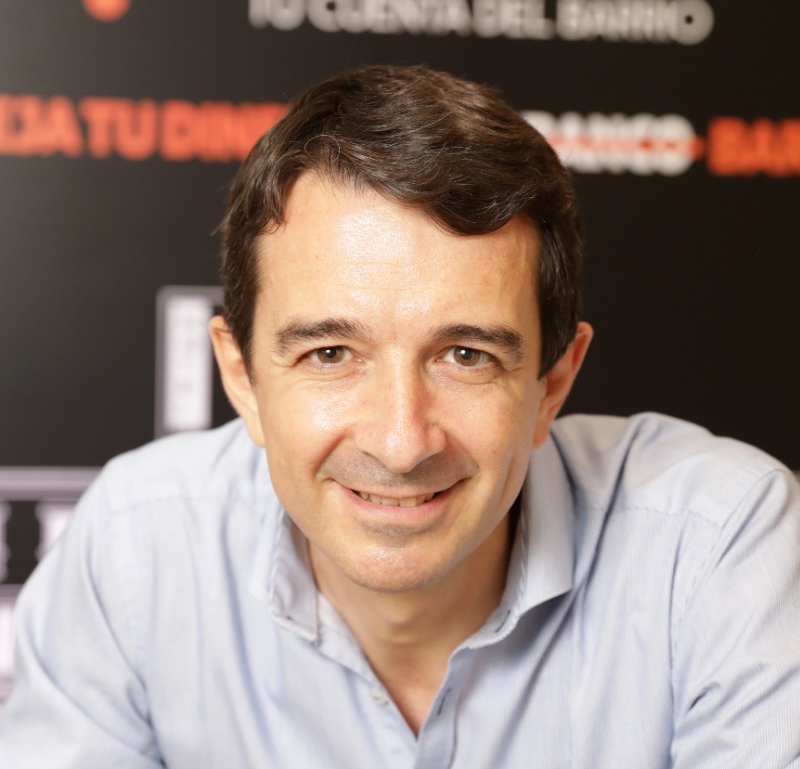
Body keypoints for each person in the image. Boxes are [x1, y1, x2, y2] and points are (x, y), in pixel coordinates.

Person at [1, 65, 798, 768]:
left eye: (466, 356)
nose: (401, 441)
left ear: (552, 385)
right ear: (241, 378)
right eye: (330, 354)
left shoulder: (718, 548)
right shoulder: (136, 549)